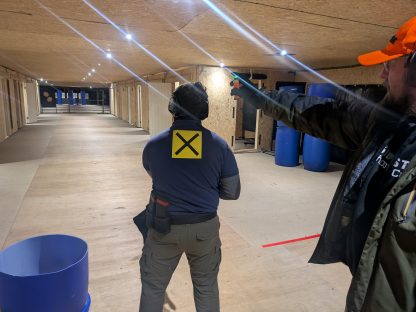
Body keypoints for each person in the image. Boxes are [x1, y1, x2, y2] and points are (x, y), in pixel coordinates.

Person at [231, 16, 416, 312]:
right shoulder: (387, 120)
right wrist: (263, 99)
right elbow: (322, 114)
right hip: (369, 288)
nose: (381, 74)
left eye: (389, 65)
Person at [139, 82, 241, 312]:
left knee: (153, 287)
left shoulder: (154, 145)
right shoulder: (220, 146)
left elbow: (152, 173)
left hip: (163, 226)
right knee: (206, 287)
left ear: (172, 108)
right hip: (204, 229)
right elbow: (232, 192)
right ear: (204, 111)